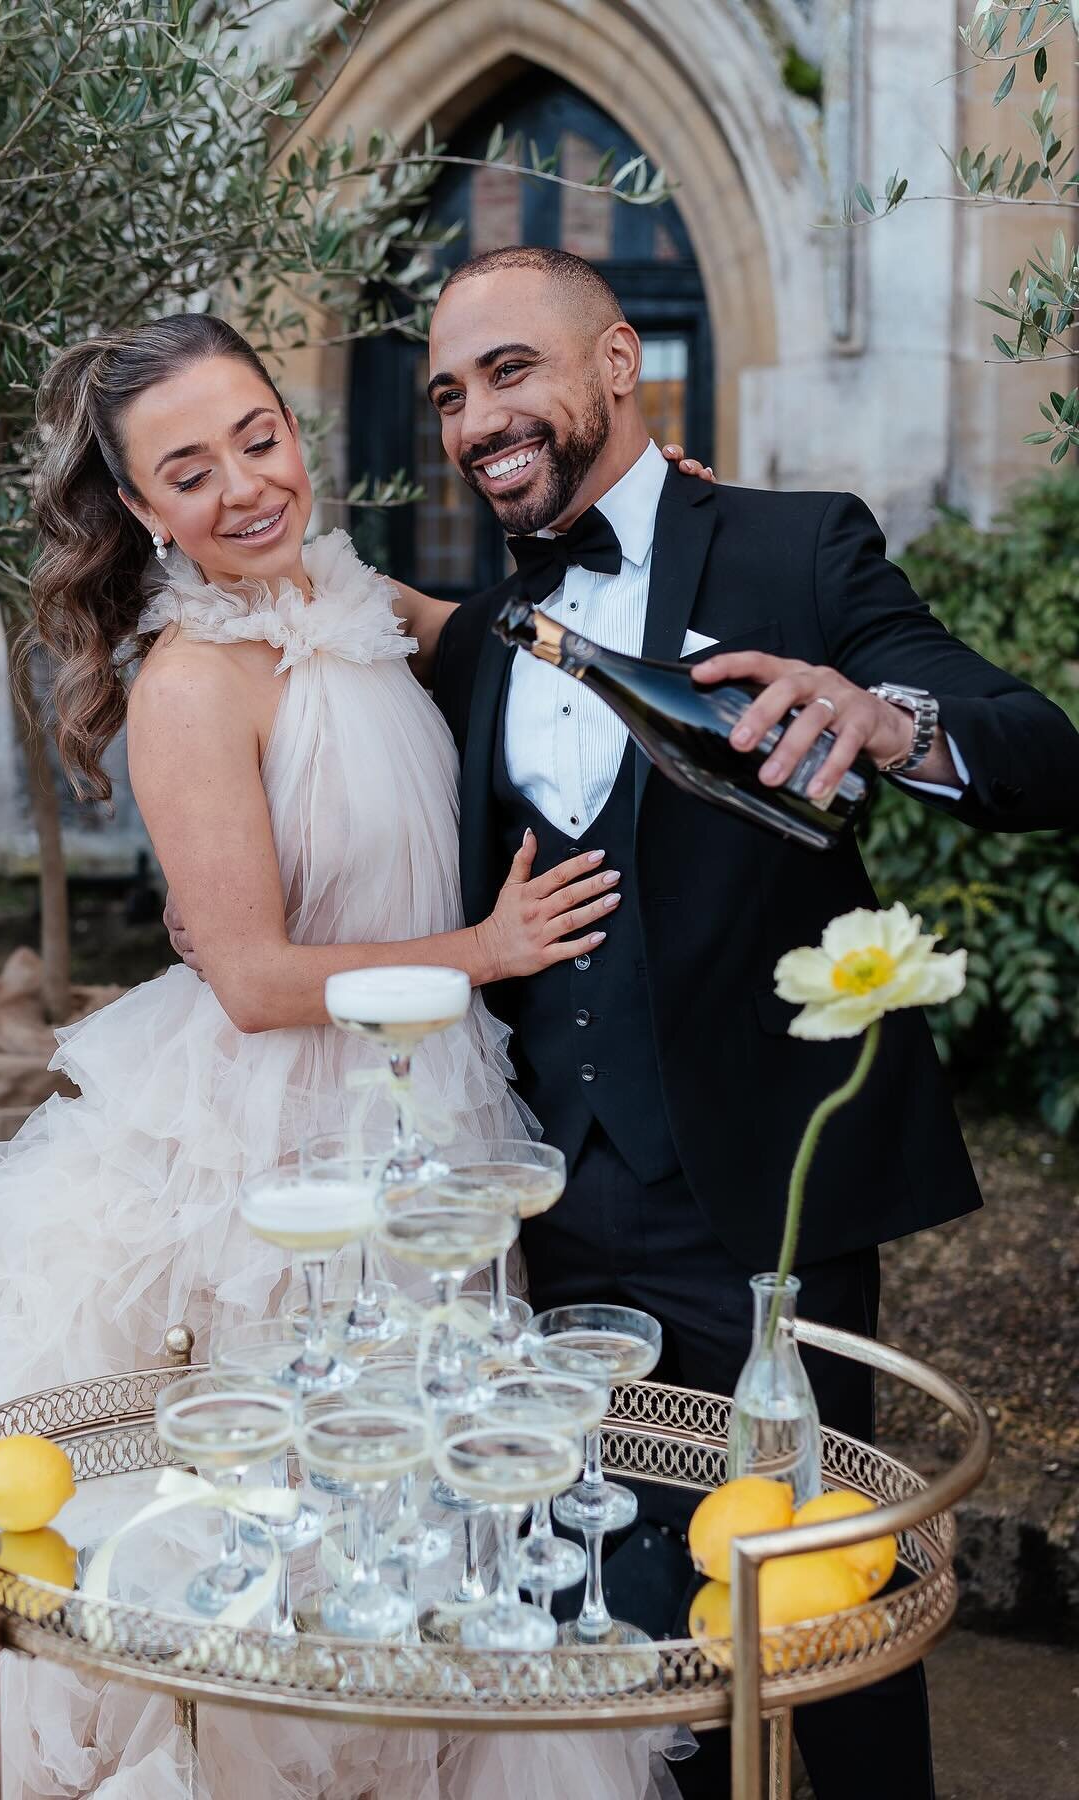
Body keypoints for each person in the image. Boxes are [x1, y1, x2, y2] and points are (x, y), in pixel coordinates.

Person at [0, 313, 686, 1799]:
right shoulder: (192, 683)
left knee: (408, 1506)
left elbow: (515, 647)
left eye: (259, 438)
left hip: (423, 1117)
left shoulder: (344, 591)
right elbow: (251, 980)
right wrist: (483, 951)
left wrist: (647, 517)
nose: (246, 487)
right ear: (139, 511)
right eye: (189, 473)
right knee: (243, 1524)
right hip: (277, 1151)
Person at [416, 245, 1079, 1799]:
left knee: (807, 1610)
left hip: (763, 1207)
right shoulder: (472, 637)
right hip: (539, 1213)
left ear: (616, 363)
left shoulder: (795, 550)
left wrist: (881, 720)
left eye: (512, 368)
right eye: (448, 392)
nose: (475, 416)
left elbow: (1043, 750)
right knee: (594, 1610)